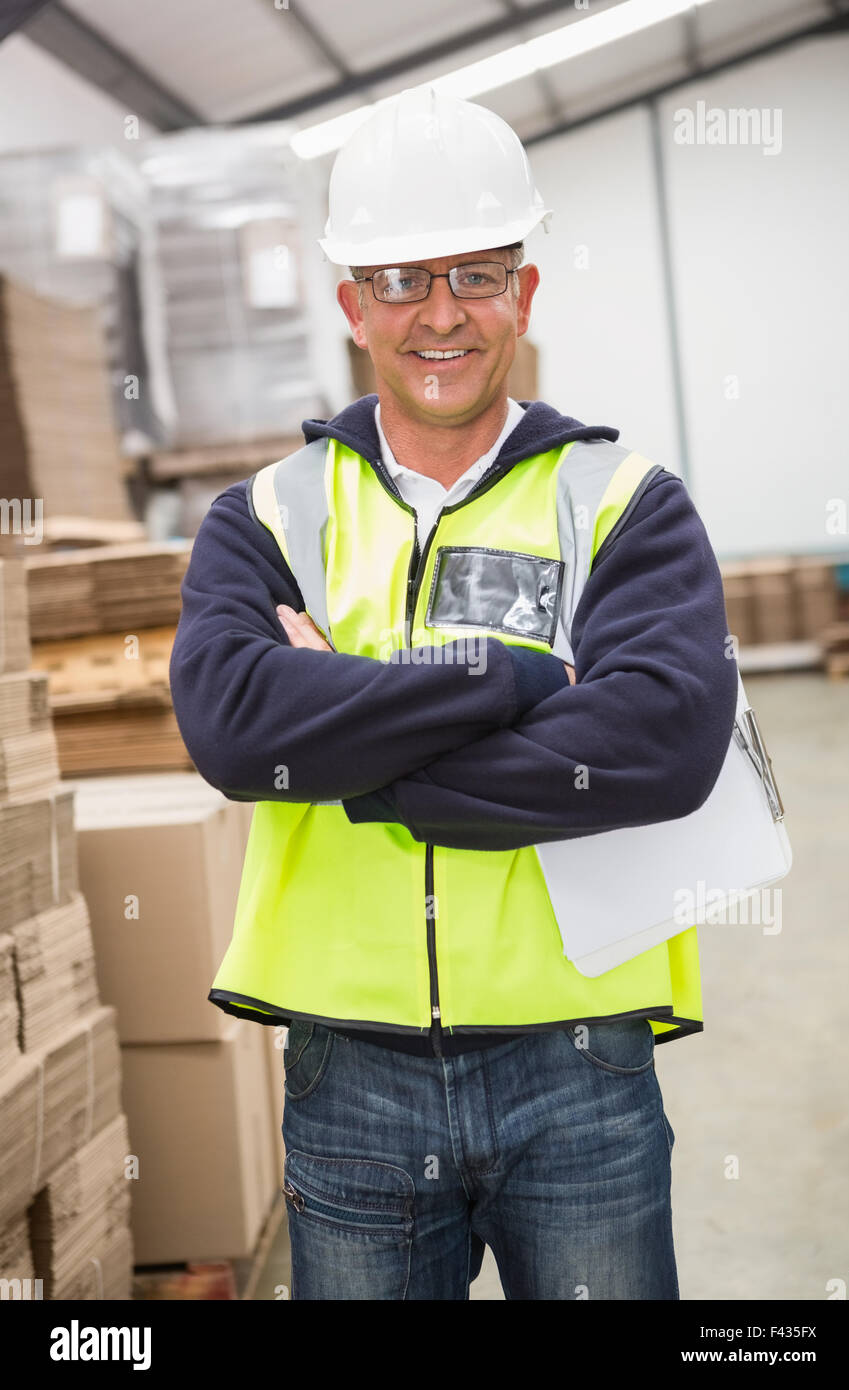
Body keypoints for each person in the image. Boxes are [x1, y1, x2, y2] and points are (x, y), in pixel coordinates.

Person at [169, 84, 738, 1300]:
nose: (440, 315)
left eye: (474, 274)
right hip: (348, 1075)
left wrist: (354, 739)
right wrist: (518, 676)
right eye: (398, 280)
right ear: (349, 308)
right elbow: (233, 728)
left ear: (523, 293)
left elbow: (664, 740)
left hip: (576, 1059)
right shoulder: (268, 515)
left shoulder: (622, 501)